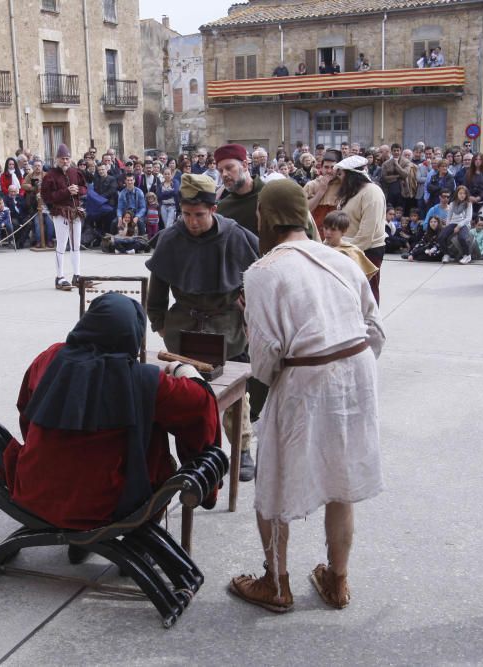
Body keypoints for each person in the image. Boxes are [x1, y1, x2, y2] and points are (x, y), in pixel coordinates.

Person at [229, 179, 384, 613]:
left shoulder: (262, 272)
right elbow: (375, 330)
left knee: (273, 480)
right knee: (342, 479)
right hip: (357, 373)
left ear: (264, 218)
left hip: (306, 376)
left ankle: (276, 585)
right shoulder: (343, 260)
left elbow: (264, 359)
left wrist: (253, 326)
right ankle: (337, 581)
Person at [0, 292, 221, 531]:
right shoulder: (144, 381)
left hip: (35, 490)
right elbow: (200, 405)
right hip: (106, 507)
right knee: (154, 440)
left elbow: (27, 411)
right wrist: (186, 372)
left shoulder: (50, 358)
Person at [145, 174, 260, 481]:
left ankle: (242, 449)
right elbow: (156, 291)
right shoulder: (171, 238)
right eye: (186, 214)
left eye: (199, 215)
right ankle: (197, 455)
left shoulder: (235, 236)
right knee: (188, 397)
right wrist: (159, 323)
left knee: (238, 395)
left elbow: (256, 281)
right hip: (184, 328)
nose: (192, 222)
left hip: (227, 328)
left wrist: (252, 319)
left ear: (213, 209)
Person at [334, 155, 387, 304]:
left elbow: (367, 233)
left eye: (342, 174)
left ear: (351, 176)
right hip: (347, 249)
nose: (340, 178)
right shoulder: (351, 192)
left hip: (366, 251)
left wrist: (348, 252)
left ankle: (371, 326)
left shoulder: (372, 193)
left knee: (367, 294)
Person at [41, 144, 89, 291]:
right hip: (60, 212)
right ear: (57, 159)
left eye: (67, 158)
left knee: (76, 246)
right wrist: (66, 192)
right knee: (61, 246)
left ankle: (77, 276)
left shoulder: (76, 172)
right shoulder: (50, 175)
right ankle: (60, 277)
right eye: (62, 159)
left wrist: (77, 190)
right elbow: (47, 197)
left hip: (75, 211)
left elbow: (85, 188)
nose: (65, 161)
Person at [321, 210, 379, 279]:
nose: (328, 232)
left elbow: (361, 278)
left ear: (344, 231)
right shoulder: (320, 247)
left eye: (333, 229)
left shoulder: (351, 252)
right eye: (326, 228)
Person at [303, 150, 341, 234]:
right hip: (316, 232)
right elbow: (305, 211)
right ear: (321, 168)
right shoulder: (311, 185)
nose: (329, 171)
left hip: (338, 231)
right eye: (326, 167)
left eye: (332, 168)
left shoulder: (343, 185)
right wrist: (321, 192)